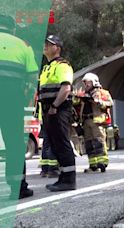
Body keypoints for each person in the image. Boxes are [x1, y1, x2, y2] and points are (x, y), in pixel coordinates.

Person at [0, 14, 37, 199]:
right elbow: (32, 78)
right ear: (12, 28)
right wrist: (25, 98)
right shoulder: (23, 45)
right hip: (11, 101)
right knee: (14, 144)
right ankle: (18, 187)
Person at [38, 35, 76, 191]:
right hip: (49, 111)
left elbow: (66, 88)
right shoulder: (47, 67)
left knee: (62, 144)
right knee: (55, 145)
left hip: (58, 110)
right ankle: (63, 178)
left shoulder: (63, 66)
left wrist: (54, 106)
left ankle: (69, 181)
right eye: (45, 43)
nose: (45, 46)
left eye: (49, 44)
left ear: (57, 48)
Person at [74, 73, 113, 173]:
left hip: (97, 121)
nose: (86, 84)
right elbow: (76, 105)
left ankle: (102, 162)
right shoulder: (84, 93)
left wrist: (99, 102)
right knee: (89, 144)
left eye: (88, 82)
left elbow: (110, 103)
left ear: (94, 82)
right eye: (85, 82)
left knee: (99, 141)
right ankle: (93, 164)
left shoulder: (102, 93)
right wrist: (77, 97)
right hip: (86, 121)